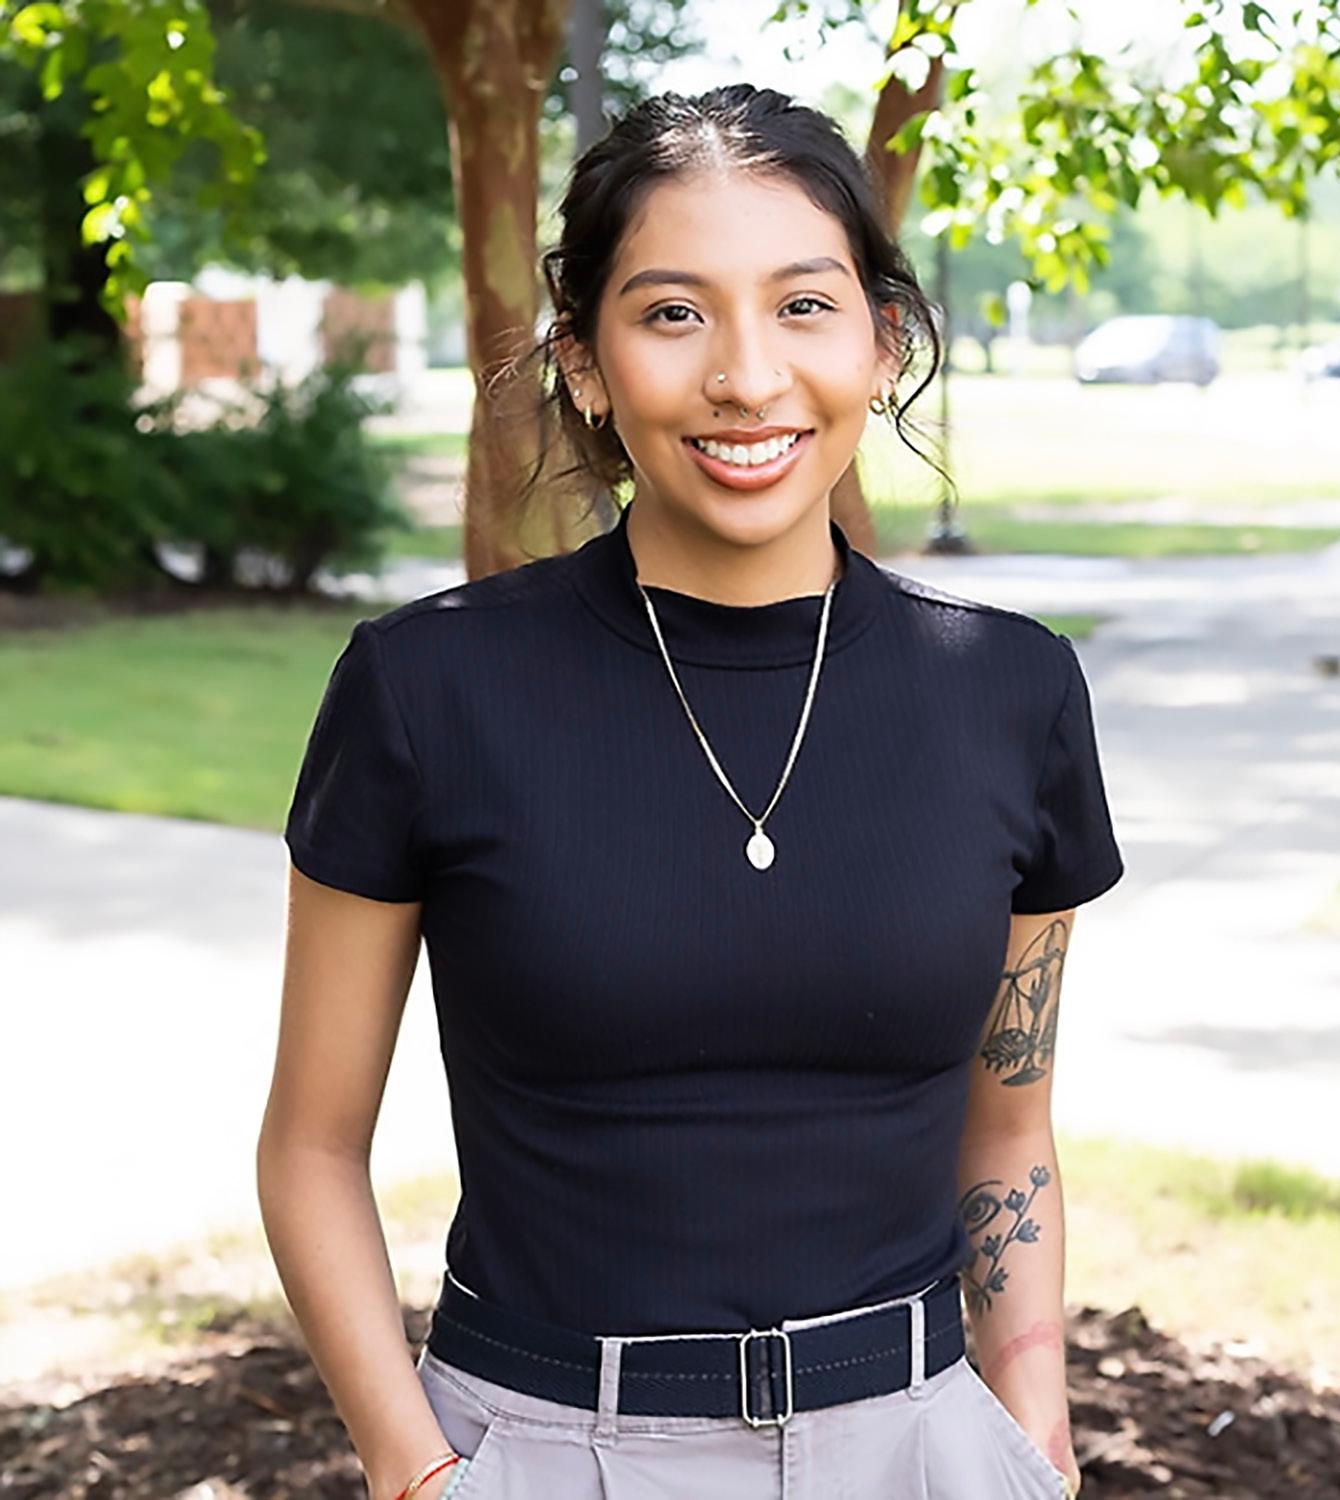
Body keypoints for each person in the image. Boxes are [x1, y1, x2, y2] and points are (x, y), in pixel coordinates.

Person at [258, 82, 1122, 1500]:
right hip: (546, 1447)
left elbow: (1009, 1123)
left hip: (921, 1447)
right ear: (585, 363)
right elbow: (310, 1147)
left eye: (804, 306)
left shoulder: (1011, 692)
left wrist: (1035, 1426)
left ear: (882, 341)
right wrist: (416, 1476)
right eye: (673, 314)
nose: (746, 377)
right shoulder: (425, 690)